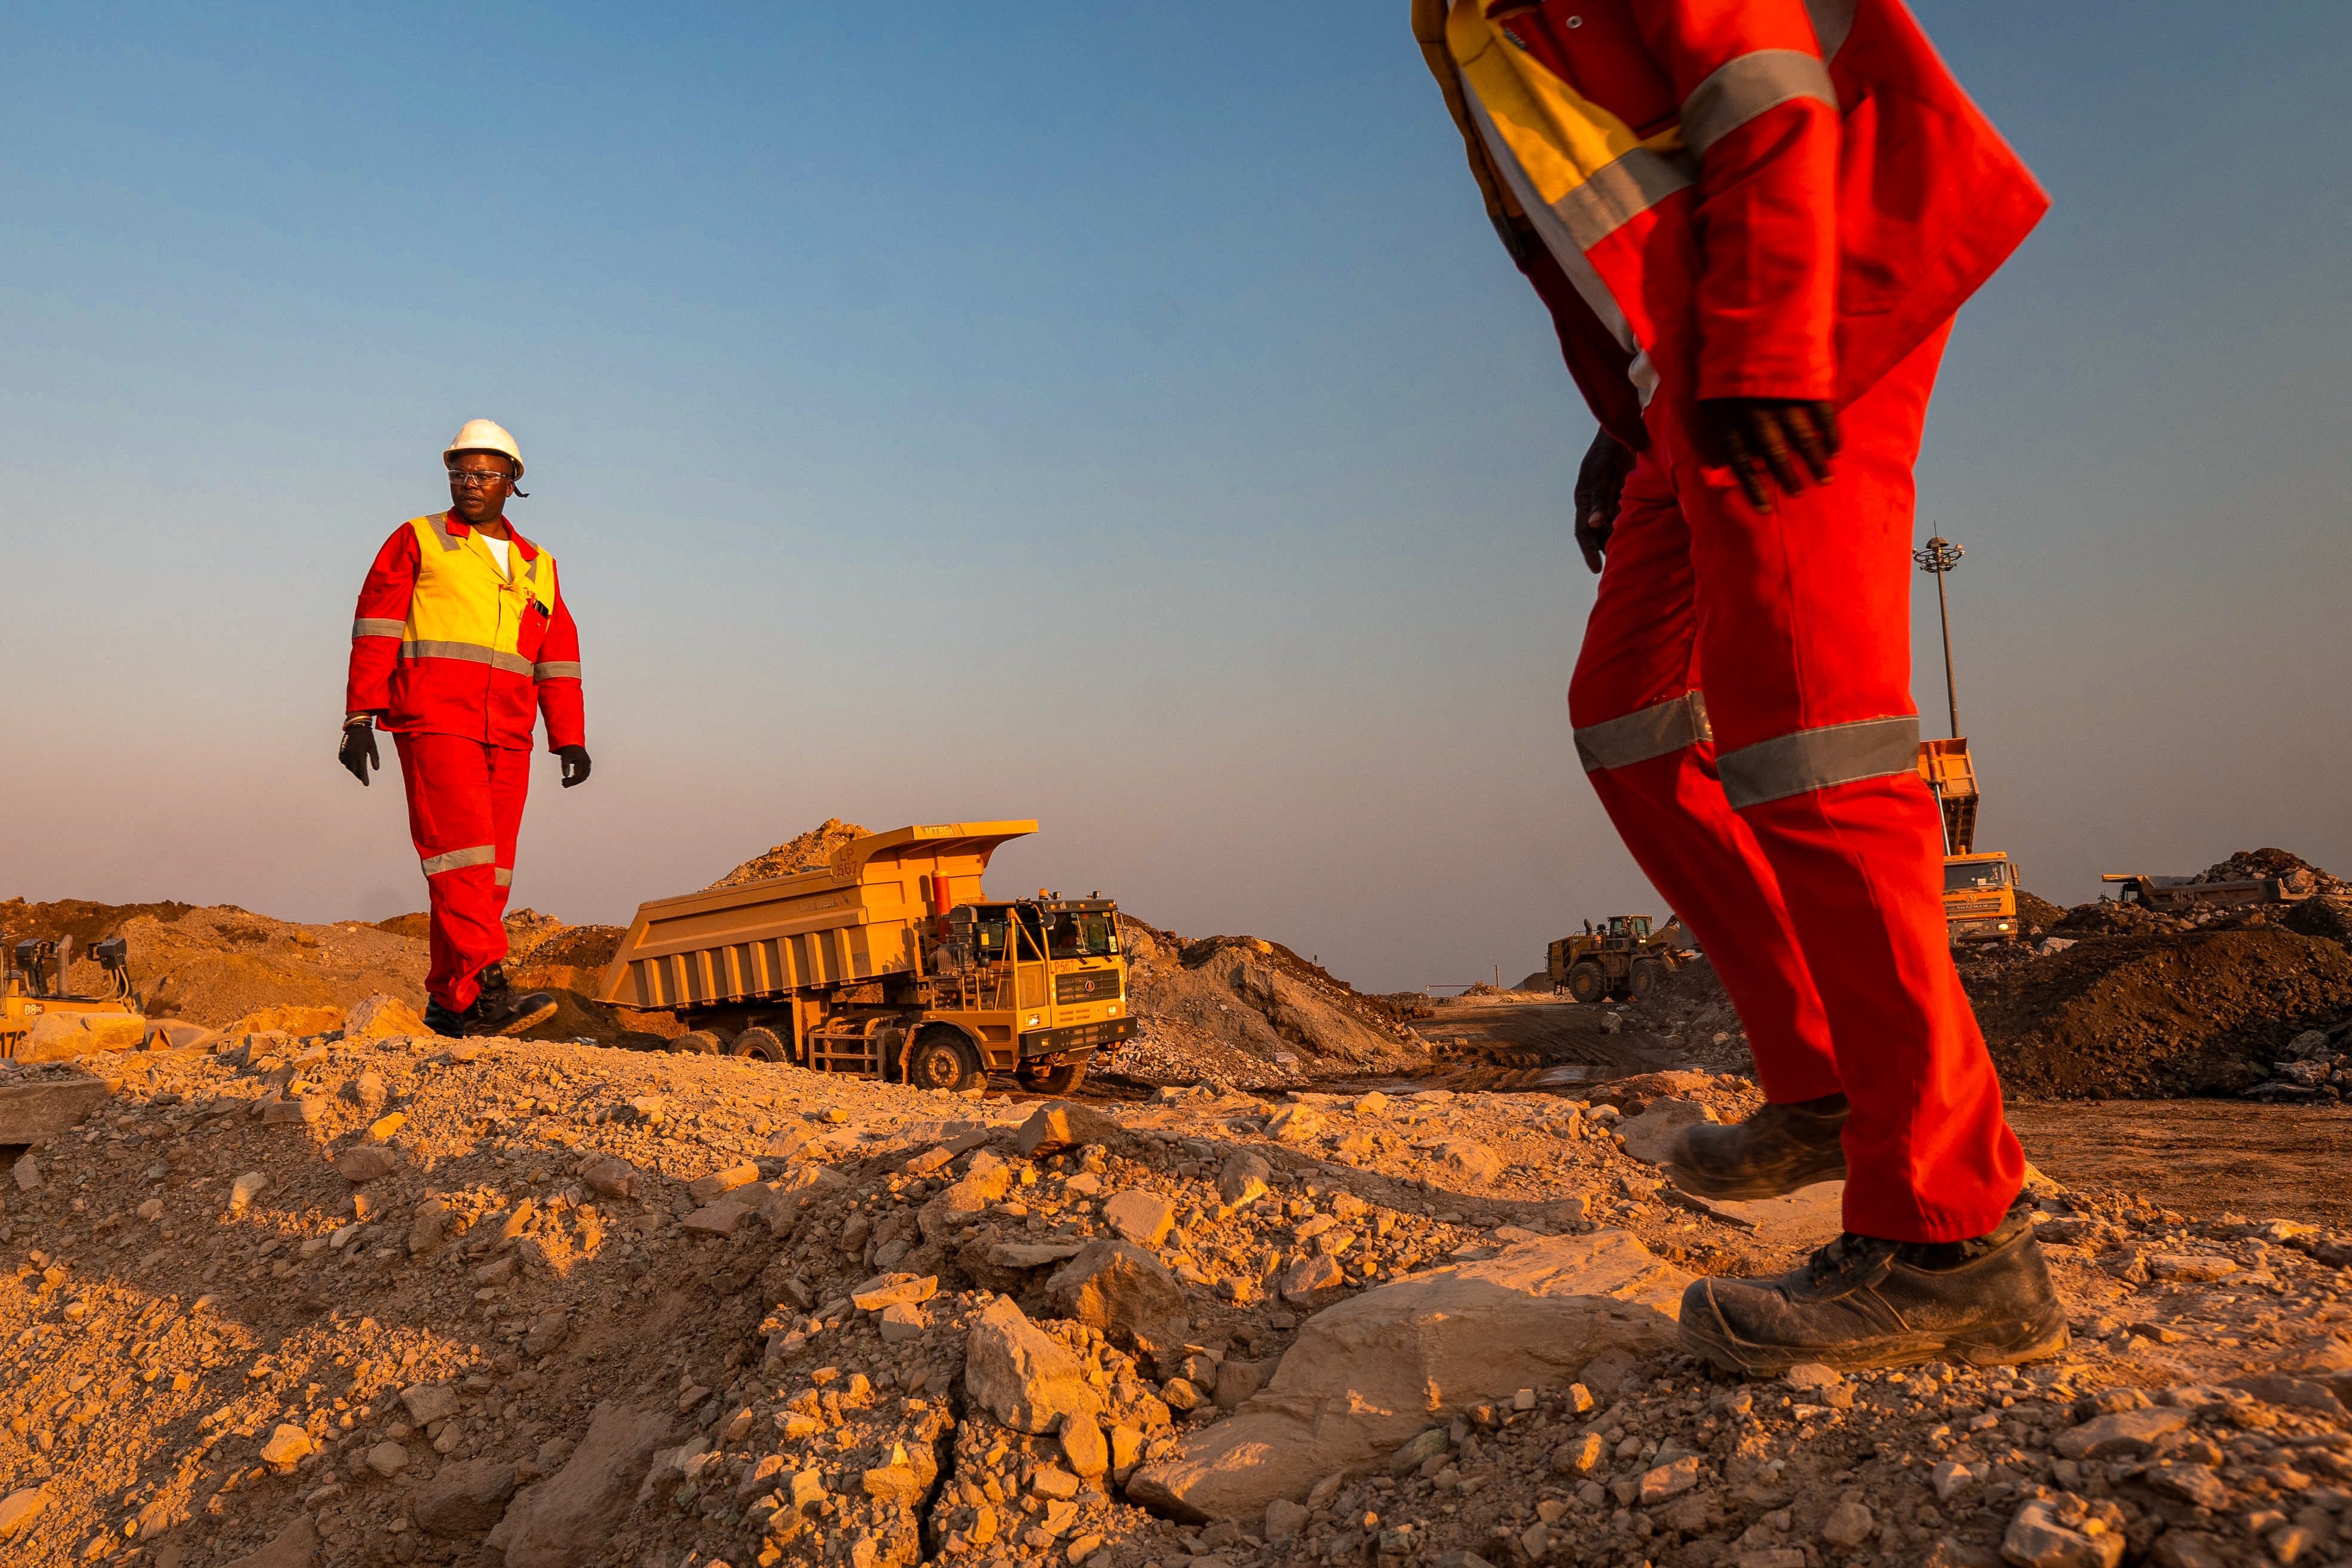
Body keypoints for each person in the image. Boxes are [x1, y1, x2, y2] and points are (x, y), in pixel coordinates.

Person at [1414, 0, 2065, 1370]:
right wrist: (1628, 418)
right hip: (1694, 358)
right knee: (1630, 713)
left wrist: (1770, 345)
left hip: (1811, 284)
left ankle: (1953, 1236)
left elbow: (1765, 94)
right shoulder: (1463, 11)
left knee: (1814, 749)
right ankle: (1827, 1081)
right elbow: (1619, 205)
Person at [339, 419, 589, 1037]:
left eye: (483, 473)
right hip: (435, 719)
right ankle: (488, 988)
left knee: (490, 869)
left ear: (513, 483)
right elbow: (376, 627)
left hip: (508, 732)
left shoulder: (539, 565)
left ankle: (453, 1003)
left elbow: (557, 657)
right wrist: (359, 715)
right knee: (461, 863)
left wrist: (571, 736)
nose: (468, 483)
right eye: (459, 471)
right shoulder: (418, 540)